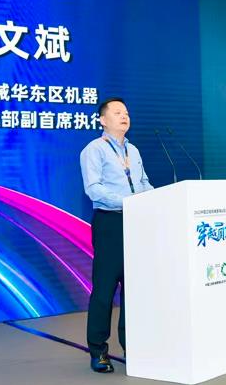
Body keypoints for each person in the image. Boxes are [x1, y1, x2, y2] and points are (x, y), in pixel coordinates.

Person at [80, 97, 154, 373]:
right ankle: (98, 351)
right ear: (102, 120)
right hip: (110, 223)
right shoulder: (94, 150)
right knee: (105, 289)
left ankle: (133, 347)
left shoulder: (133, 150)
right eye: (117, 112)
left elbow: (143, 182)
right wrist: (128, 202)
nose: (124, 116)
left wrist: (157, 199)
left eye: (126, 112)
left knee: (134, 290)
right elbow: (93, 189)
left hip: (137, 222)